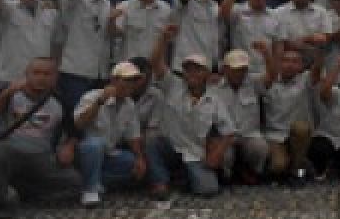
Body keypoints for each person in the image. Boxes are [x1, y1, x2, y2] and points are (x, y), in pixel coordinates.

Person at [0, 57, 79, 219]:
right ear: (27, 75)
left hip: (41, 156)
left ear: (55, 77)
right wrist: (7, 92)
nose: (41, 78)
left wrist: (69, 146)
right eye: (36, 73)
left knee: (75, 182)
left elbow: (74, 130)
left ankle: (25, 190)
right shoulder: (12, 95)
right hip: (11, 151)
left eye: (47, 74)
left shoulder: (60, 101)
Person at [145, 37, 234, 199]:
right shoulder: (173, 85)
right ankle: (160, 182)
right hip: (171, 147)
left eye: (198, 69)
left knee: (208, 189)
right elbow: (155, 62)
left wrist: (216, 153)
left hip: (195, 153)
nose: (192, 73)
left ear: (207, 73)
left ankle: (183, 176)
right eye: (188, 69)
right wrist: (163, 38)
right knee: (152, 140)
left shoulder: (215, 99)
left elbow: (228, 132)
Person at [72, 62, 147, 207]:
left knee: (132, 164)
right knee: (94, 145)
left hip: (109, 153)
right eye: (126, 80)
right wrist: (100, 102)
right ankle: (90, 190)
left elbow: (133, 135)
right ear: (113, 80)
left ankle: (93, 179)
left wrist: (139, 158)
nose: (130, 85)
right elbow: (79, 124)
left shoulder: (129, 104)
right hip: (85, 151)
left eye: (134, 81)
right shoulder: (92, 96)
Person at [57, 0, 112, 116]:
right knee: (74, 114)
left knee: (95, 116)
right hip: (75, 70)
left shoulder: (107, 3)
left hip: (100, 72)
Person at [0, 0, 59, 87]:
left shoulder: (51, 12)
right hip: (10, 77)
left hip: (41, 78)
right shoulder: (8, 7)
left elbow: (55, 45)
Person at [261, 45, 319, 185]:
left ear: (301, 66)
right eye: (286, 60)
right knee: (278, 166)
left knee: (302, 128)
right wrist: (267, 55)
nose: (290, 65)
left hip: (297, 135)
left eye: (295, 61)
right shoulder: (269, 81)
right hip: (275, 136)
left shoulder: (305, 81)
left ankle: (297, 172)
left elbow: (317, 70)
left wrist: (319, 52)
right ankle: (300, 166)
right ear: (279, 64)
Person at [210, 49, 270, 183]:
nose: (239, 73)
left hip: (249, 135)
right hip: (224, 137)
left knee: (260, 148)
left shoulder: (254, 84)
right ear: (225, 69)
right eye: (235, 69)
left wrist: (266, 54)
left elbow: (270, 77)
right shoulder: (213, 89)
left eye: (243, 69)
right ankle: (228, 174)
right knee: (225, 155)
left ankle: (251, 170)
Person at [220, 0, 280, 82]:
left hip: (265, 73)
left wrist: (274, 73)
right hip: (240, 72)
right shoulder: (237, 10)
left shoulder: (276, 16)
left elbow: (278, 50)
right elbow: (222, 14)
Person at [109, 0, 173, 63]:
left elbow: (170, 42)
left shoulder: (166, 9)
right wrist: (111, 20)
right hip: (130, 66)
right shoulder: (123, 7)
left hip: (155, 66)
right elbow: (116, 34)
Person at [272, 0, 333, 66]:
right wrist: (309, 40)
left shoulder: (321, 11)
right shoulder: (278, 12)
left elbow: (327, 37)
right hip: (289, 63)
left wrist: (304, 40)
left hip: (315, 63)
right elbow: (280, 43)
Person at [172, 0, 222, 70]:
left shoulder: (214, 6)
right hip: (185, 66)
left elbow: (214, 40)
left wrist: (215, 67)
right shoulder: (187, 1)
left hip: (206, 67)